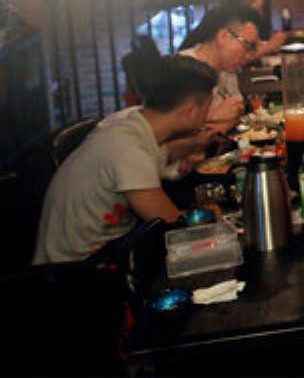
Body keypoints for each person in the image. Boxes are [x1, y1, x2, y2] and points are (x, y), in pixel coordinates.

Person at [34, 57, 217, 263]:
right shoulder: (128, 148)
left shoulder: (134, 125)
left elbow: (164, 154)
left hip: (113, 247)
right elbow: (173, 227)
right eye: (208, 106)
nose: (209, 114)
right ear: (191, 110)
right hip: (78, 271)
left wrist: (192, 145)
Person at [178, 5, 263, 134]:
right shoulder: (182, 68)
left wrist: (223, 126)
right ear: (223, 36)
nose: (248, 55)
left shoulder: (228, 70)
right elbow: (163, 126)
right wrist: (212, 116)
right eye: (247, 45)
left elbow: (235, 114)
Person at [180, 0, 286, 56]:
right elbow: (239, 57)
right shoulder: (221, 20)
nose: (261, 14)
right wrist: (269, 47)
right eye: (258, 9)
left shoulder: (234, 20)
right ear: (242, 6)